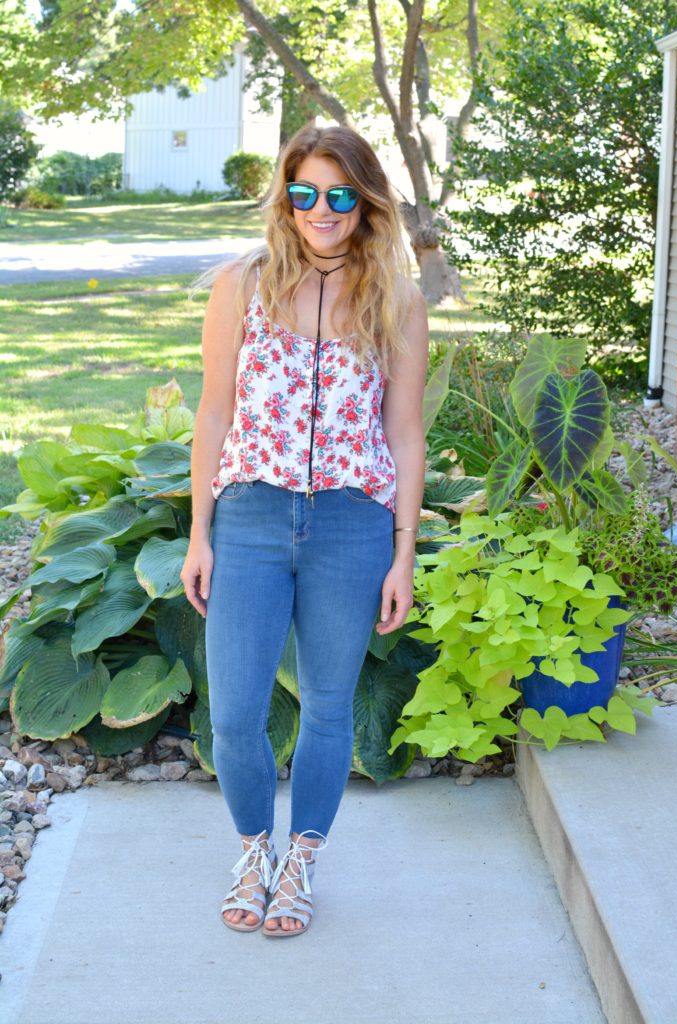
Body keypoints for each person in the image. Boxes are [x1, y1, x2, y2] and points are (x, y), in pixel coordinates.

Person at [180, 123, 429, 938]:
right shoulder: (240, 286)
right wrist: (199, 534)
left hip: (351, 527)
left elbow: (404, 434)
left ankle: (302, 862)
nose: (321, 211)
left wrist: (402, 554)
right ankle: (254, 851)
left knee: (327, 709)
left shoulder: (396, 298)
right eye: (303, 193)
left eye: (339, 195)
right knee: (234, 716)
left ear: (365, 200)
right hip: (249, 516)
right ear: (284, 196)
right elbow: (213, 411)